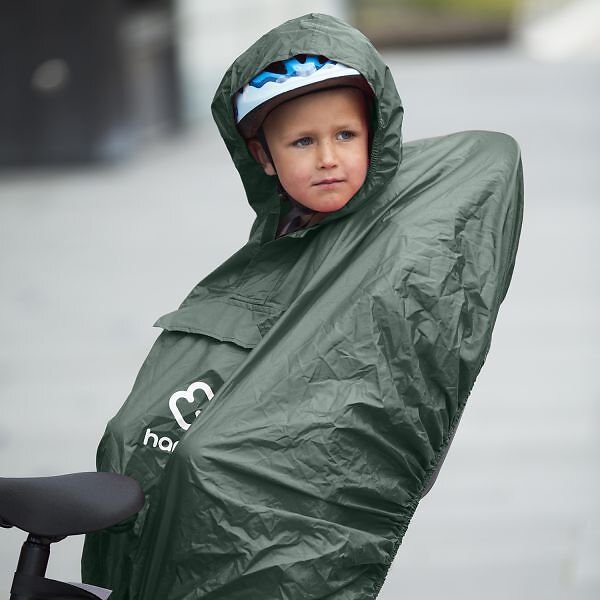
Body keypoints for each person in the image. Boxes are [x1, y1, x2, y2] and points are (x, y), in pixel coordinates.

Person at [82, 13, 523, 600]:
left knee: (207, 464)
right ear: (263, 157)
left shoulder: (390, 229)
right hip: (226, 429)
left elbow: (490, 156)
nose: (328, 158)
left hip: (299, 455)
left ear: (376, 135)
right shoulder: (273, 250)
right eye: (302, 142)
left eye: (346, 136)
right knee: (131, 441)